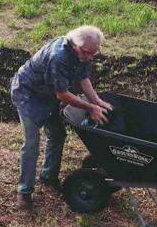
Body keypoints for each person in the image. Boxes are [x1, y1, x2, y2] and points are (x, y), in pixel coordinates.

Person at [9, 26, 113, 201]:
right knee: (32, 143)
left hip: (48, 93)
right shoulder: (58, 57)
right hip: (29, 94)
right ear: (75, 45)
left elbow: (83, 78)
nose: (89, 58)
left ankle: (48, 177)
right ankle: (24, 191)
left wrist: (96, 101)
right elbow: (62, 94)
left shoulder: (83, 52)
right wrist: (90, 108)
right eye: (87, 53)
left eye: (93, 54)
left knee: (57, 135)